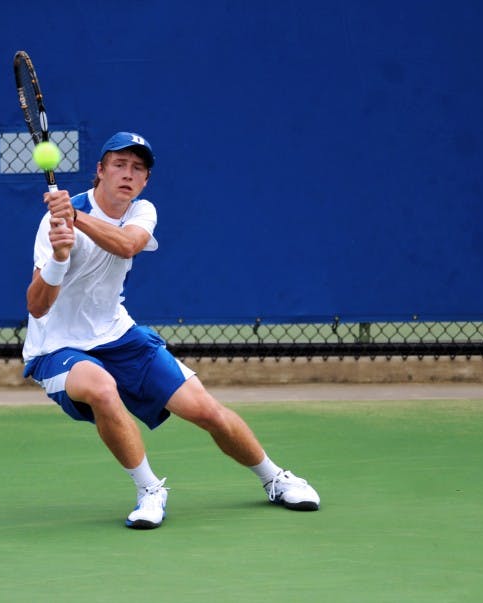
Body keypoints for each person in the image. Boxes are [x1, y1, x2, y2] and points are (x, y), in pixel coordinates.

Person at [22, 132, 320, 529]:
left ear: (145, 181)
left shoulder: (141, 211)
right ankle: (149, 490)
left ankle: (275, 478)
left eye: (138, 168)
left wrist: (76, 221)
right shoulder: (55, 220)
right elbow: (37, 306)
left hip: (118, 334)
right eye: (119, 164)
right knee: (100, 388)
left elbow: (127, 245)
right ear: (99, 171)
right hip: (56, 346)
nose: (128, 174)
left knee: (206, 411)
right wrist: (60, 257)